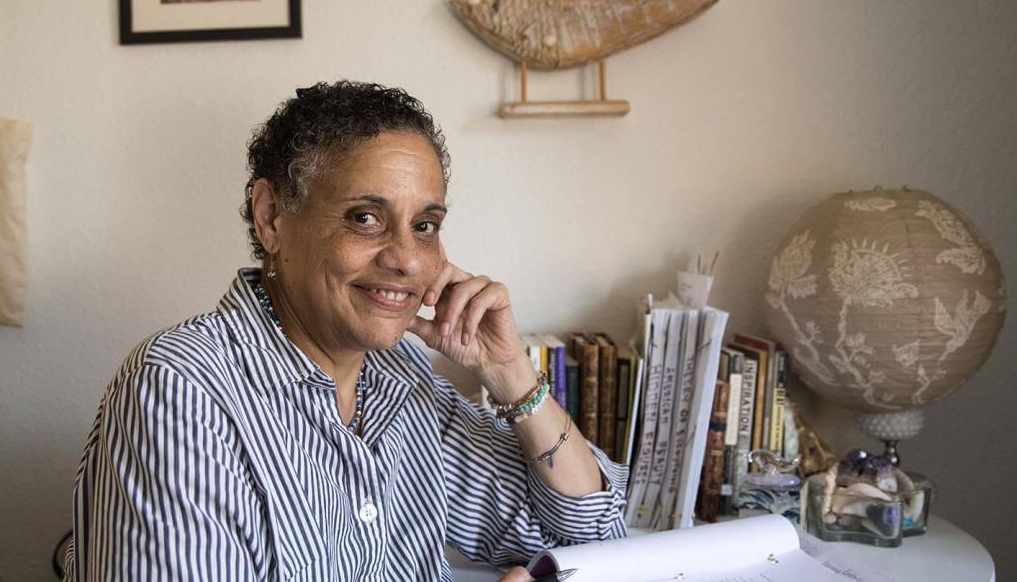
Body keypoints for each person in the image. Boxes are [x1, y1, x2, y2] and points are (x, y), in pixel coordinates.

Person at [68, 81, 626, 581]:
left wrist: (512, 377)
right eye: (365, 217)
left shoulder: (401, 380)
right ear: (271, 218)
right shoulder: (181, 391)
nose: (408, 260)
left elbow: (587, 537)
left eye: (425, 226)